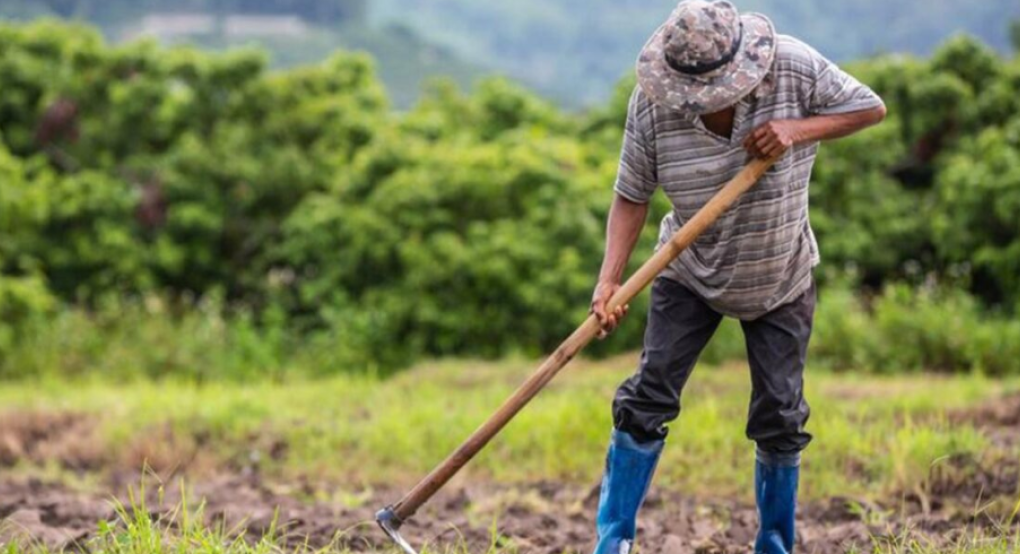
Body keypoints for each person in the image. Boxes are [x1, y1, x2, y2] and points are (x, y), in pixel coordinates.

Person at [588, 1, 886, 553]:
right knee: (647, 398)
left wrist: (797, 129)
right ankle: (614, 541)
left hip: (780, 272)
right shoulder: (653, 105)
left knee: (780, 413)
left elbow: (870, 108)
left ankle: (774, 543)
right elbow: (632, 193)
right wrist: (609, 282)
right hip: (688, 271)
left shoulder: (793, 67)